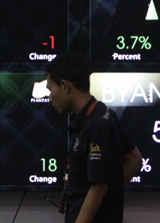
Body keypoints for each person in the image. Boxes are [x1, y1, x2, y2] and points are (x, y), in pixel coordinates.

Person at [46, 56, 141, 223]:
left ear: (65, 86)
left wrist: (106, 200)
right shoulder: (102, 115)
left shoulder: (96, 126)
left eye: (50, 89)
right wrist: (111, 198)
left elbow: (98, 187)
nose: (50, 98)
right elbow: (134, 159)